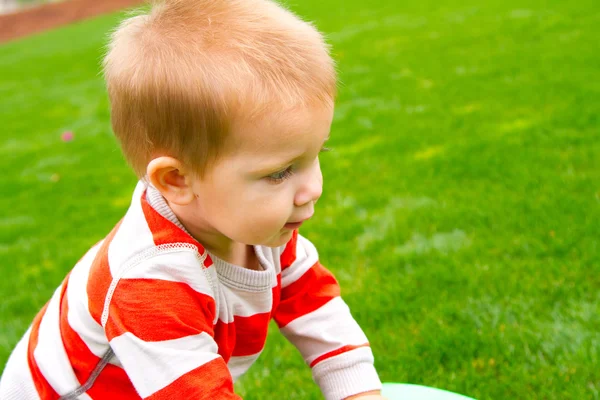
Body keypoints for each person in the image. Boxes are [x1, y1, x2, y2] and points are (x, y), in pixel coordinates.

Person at [0, 0, 384, 398]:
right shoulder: (149, 281)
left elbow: (318, 312)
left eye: (316, 155)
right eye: (279, 172)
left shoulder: (260, 228)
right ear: (178, 180)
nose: (313, 188)